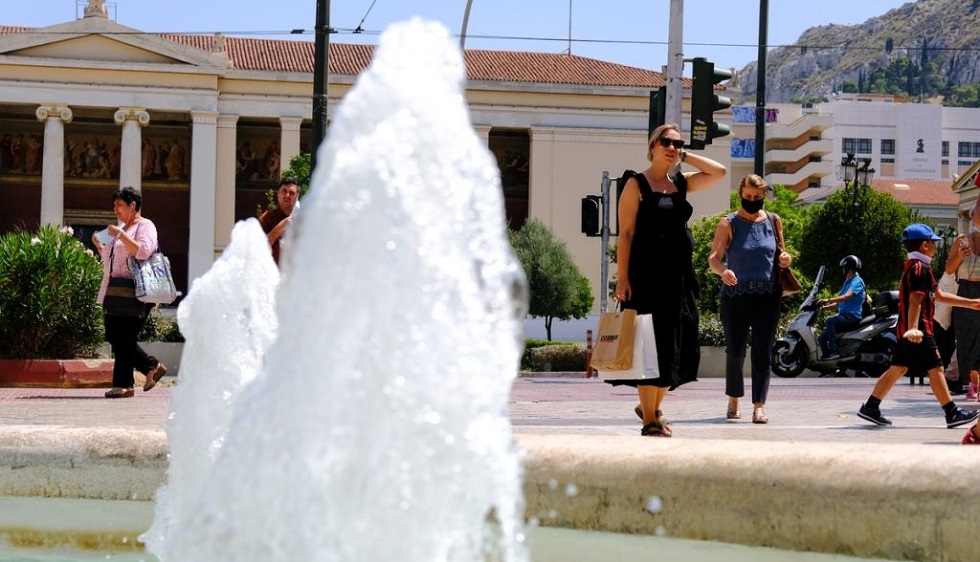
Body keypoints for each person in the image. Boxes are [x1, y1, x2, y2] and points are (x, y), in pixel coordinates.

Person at [610, 123, 727, 437]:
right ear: (652, 146)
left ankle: (650, 408)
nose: (672, 147)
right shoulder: (636, 184)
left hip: (678, 278)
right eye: (666, 142)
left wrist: (686, 156)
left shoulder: (681, 182)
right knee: (648, 346)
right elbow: (627, 234)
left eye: (677, 143)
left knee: (676, 344)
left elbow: (719, 173)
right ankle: (650, 419)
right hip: (645, 277)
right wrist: (621, 279)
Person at [857, 223, 980, 429]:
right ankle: (952, 412)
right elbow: (915, 300)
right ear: (924, 245)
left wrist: (971, 302)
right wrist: (913, 328)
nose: (935, 246)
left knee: (898, 368)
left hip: (911, 329)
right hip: (919, 329)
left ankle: (871, 406)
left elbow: (938, 295)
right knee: (936, 368)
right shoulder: (918, 268)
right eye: (933, 242)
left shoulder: (920, 266)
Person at [708, 174, 790, 424]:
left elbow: (782, 253)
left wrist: (787, 258)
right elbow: (713, 258)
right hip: (736, 295)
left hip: (768, 295)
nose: (752, 200)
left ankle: (759, 406)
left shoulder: (774, 221)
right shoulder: (728, 223)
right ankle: (733, 399)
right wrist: (724, 271)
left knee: (763, 352)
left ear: (764, 196)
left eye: (757, 197)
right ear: (740, 194)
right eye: (747, 196)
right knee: (735, 350)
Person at [91, 186, 167, 398]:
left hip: (135, 292)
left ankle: (124, 384)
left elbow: (143, 251)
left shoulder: (145, 226)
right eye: (114, 204)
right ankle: (151, 366)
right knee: (114, 335)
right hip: (115, 291)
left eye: (120, 204)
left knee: (124, 336)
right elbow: (115, 261)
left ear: (133, 205)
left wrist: (121, 235)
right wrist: (101, 247)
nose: (115, 208)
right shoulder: (121, 230)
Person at [944, 200, 980, 401]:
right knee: (966, 342)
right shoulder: (961, 240)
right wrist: (959, 256)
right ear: (972, 215)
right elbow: (949, 269)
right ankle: (972, 382)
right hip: (965, 292)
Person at [817, 255, 867, 359]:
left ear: (848, 267)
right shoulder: (847, 282)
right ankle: (829, 359)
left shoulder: (856, 281)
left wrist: (827, 300)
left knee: (830, 320)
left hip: (852, 316)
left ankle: (834, 350)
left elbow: (846, 296)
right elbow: (837, 304)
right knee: (821, 338)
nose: (843, 270)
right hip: (844, 316)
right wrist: (822, 308)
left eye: (844, 268)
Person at [259, 177, 300, 267]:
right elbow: (259, 249)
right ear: (278, 194)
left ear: (297, 197)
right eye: (284, 191)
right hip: (273, 277)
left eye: (292, 193)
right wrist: (281, 226)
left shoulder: (303, 221)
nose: (287, 195)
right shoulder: (266, 219)